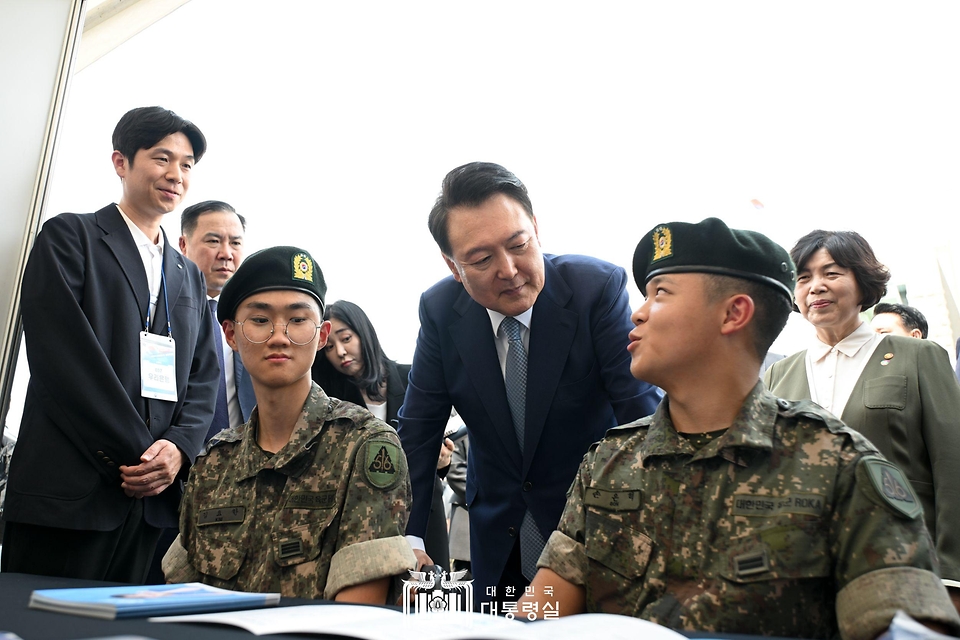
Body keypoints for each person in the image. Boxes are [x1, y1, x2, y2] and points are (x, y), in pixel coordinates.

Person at [520, 217, 960, 640]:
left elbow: (903, 626)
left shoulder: (840, 468)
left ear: (734, 313)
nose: (638, 314)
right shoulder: (608, 463)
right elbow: (544, 610)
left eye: (660, 293)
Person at [397, 162, 661, 604]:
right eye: (481, 259)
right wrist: (411, 538)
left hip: (592, 532)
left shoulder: (595, 288)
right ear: (453, 265)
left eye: (519, 244)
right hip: (498, 534)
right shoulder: (441, 310)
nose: (508, 269)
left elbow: (641, 413)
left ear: (536, 229)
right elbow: (419, 432)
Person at [1, 107, 219, 583]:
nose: (175, 175)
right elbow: (63, 362)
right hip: (70, 491)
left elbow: (205, 377)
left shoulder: (187, 274)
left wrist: (177, 451)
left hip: (151, 504)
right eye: (162, 158)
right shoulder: (70, 237)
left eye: (186, 165)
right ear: (121, 162)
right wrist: (141, 455)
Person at [163, 247, 415, 603]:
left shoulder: (363, 446)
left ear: (322, 335)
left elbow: (357, 611)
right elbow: (181, 597)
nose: (279, 336)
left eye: (298, 320)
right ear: (231, 335)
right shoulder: (214, 463)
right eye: (261, 320)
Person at [764, 230, 960, 600]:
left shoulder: (918, 357)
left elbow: (953, 466)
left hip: (908, 564)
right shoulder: (779, 374)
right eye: (803, 278)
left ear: (863, 282)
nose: (815, 287)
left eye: (832, 273)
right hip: (806, 574)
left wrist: (953, 578)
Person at [312, 299, 451, 567]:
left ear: (364, 333)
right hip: (364, 518)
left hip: (422, 511)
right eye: (329, 347)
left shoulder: (414, 378)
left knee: (431, 597)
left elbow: (432, 450)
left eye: (346, 338)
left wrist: (443, 461)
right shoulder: (332, 400)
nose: (340, 351)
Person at [179, 200, 255, 436]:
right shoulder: (162, 310)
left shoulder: (255, 319)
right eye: (213, 241)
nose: (226, 254)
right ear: (183, 244)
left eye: (235, 243)